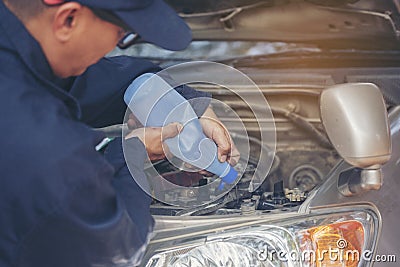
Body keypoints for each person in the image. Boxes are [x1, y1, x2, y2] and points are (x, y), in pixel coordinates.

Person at [0, 0, 239, 266]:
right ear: (68, 19)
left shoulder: (15, 49)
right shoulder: (44, 149)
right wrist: (131, 154)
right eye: (121, 33)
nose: (115, 45)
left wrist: (190, 104)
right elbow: (113, 248)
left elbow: (87, 80)